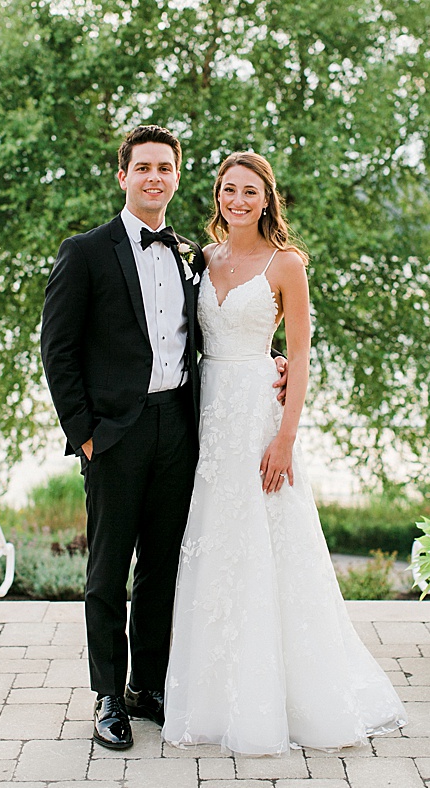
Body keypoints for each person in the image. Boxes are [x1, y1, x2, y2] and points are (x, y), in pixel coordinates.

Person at [41, 125, 283, 750]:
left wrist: (272, 359)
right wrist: (86, 436)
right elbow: (58, 351)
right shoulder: (85, 252)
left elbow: (226, 319)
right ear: (123, 176)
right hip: (115, 435)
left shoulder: (188, 254)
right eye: (142, 167)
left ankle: (147, 687)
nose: (154, 178)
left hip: (182, 427)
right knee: (106, 573)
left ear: (177, 178)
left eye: (165, 168)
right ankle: (106, 697)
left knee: (163, 567)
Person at [161, 151, 406, 754]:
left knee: (270, 545)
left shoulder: (286, 265)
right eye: (228, 190)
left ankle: (286, 697)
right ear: (216, 195)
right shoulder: (203, 258)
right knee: (215, 545)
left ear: (268, 200)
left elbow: (298, 357)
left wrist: (285, 437)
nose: (237, 200)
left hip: (259, 417)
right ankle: (212, 697)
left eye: (250, 192)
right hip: (209, 417)